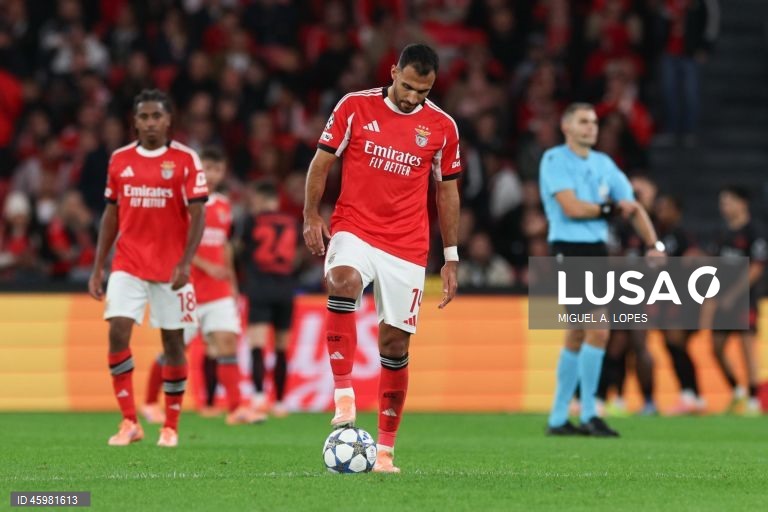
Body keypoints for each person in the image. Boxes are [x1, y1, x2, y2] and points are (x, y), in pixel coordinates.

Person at [303, 43, 461, 472]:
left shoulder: (442, 127)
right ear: (393, 72)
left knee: (394, 342)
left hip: (407, 246)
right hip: (354, 226)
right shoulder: (355, 107)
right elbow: (321, 163)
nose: (412, 97)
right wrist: (310, 215)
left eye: (422, 91)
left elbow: (447, 191)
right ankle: (343, 393)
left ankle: (386, 451)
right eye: (407, 86)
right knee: (342, 281)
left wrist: (451, 256)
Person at [88, 89, 208, 448]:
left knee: (173, 344)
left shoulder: (186, 160)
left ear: (168, 120)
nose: (151, 123)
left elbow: (198, 214)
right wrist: (98, 267)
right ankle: (129, 422)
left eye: (157, 116)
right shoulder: (120, 160)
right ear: (135, 122)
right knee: (117, 332)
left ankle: (170, 425)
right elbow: (111, 214)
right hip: (128, 263)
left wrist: (186, 263)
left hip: (172, 269)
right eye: (144, 117)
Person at [539, 102, 664, 437]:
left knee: (578, 333)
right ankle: (591, 411)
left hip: (595, 251)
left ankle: (558, 418)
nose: (590, 127)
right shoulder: (554, 159)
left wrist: (654, 245)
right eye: (583, 121)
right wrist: (610, 207)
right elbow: (571, 207)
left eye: (593, 122)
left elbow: (633, 207)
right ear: (566, 127)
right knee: (599, 329)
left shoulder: (604, 164)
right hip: (567, 248)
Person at [141, 147, 258, 426]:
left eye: (217, 169)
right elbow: (177, 244)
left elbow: (224, 245)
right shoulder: (182, 204)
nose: (211, 174)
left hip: (218, 291)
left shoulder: (223, 205)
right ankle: (148, 403)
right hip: (187, 289)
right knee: (174, 350)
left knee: (226, 343)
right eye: (206, 168)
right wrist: (206, 267)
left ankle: (235, 409)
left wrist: (230, 281)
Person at [241, 180, 298, 420]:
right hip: (285, 288)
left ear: (262, 200)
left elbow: (242, 252)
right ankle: (281, 402)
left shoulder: (251, 221)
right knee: (281, 348)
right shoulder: (292, 222)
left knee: (257, 345)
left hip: (259, 286)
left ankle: (258, 397)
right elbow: (298, 255)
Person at [711, 186, 766, 415]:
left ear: (742, 203)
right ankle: (737, 390)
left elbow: (756, 267)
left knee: (747, 348)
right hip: (722, 301)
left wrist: (733, 295)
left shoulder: (755, 231)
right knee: (716, 347)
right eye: (722, 202)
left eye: (728, 202)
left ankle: (754, 399)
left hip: (745, 299)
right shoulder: (722, 233)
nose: (724, 207)